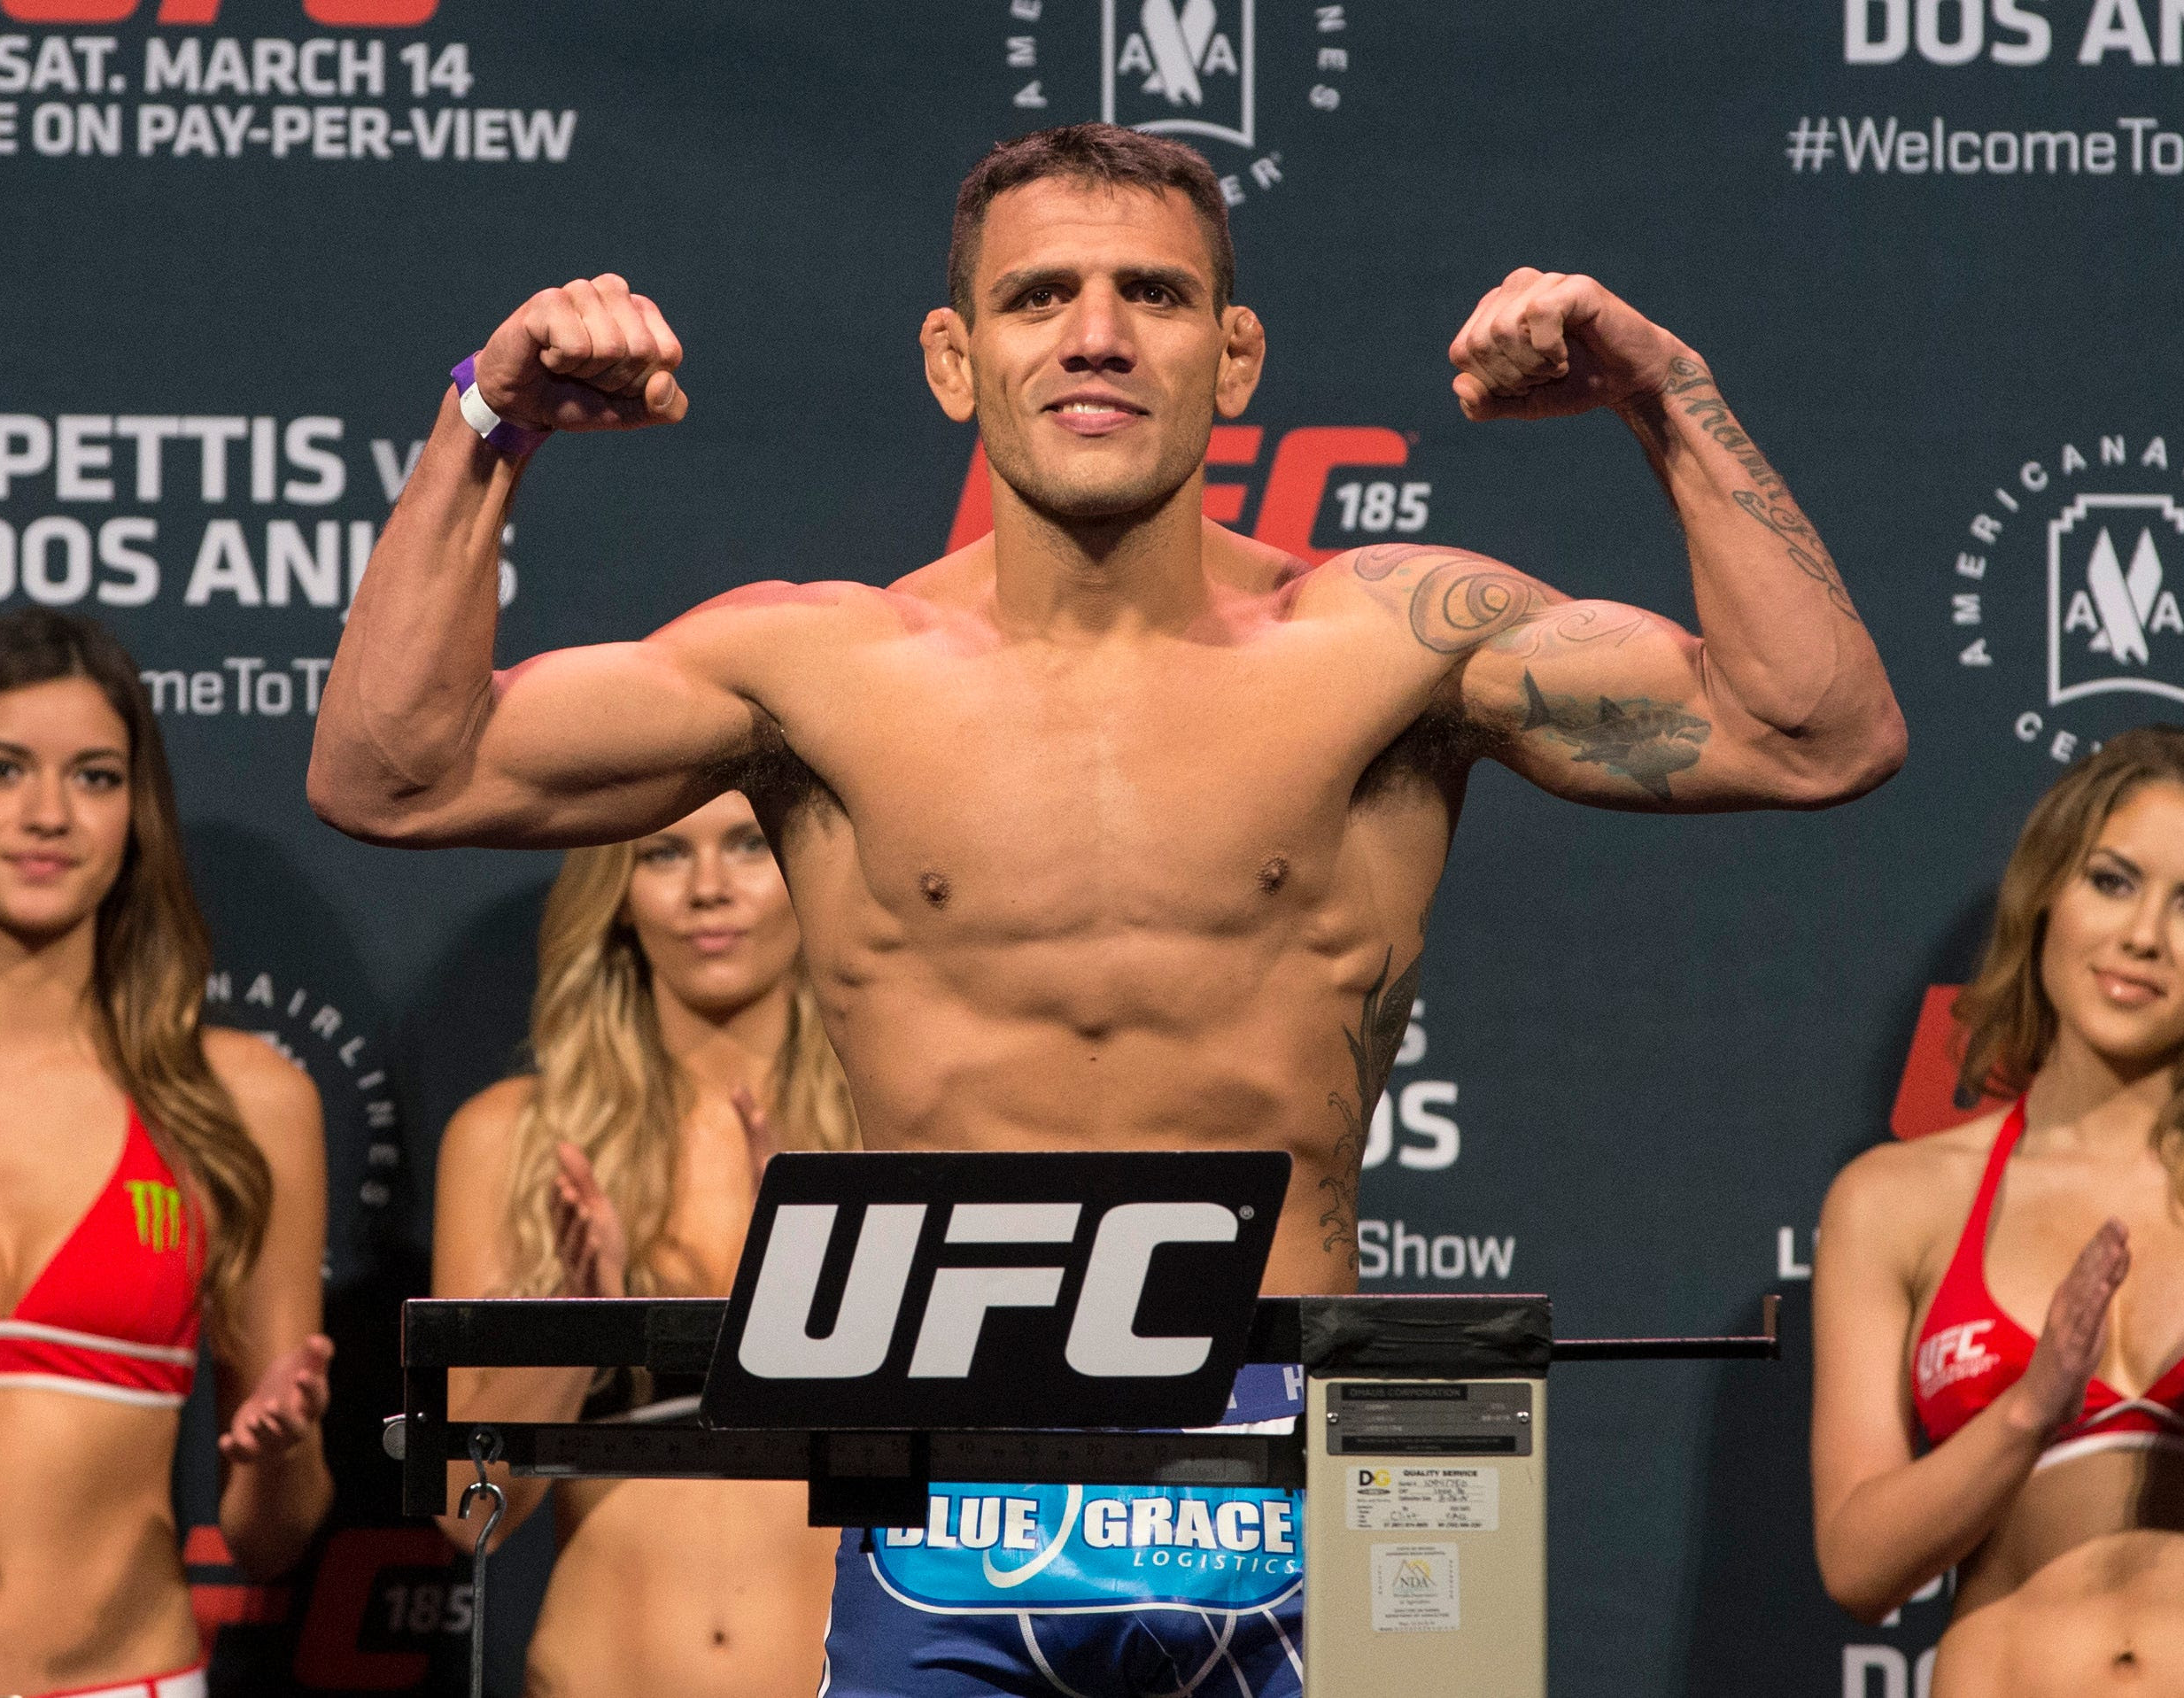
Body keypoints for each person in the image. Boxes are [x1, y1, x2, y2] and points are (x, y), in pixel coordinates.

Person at [310, 123, 1903, 1697]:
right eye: (1036, 296)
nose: (1094, 335)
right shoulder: (813, 672)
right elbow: (394, 774)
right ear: (953, 358)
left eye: (1151, 292)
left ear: (1235, 352)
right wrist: (486, 423)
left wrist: (1665, 393)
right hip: (957, 1461)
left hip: (1321, 1447)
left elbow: (1819, 731)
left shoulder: (1389, 642)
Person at [1813, 726, 2184, 1694]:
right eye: (2113, 880)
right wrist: (2031, 1407)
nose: (2144, 936)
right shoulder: (1897, 1200)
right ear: (2046, 894)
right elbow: (1858, 1568)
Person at [0, 608, 331, 1698]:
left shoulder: (241, 1101)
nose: (48, 816)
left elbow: (273, 1537)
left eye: (94, 777)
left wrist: (279, 1458)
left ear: (138, 814)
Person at [430, 790, 855, 1697]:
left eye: (748, 845)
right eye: (664, 854)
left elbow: (977, 1487)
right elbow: (469, 1514)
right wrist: (584, 1324)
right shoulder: (518, 1142)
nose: (709, 888)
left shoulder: (889, 1141)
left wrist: (824, 1275)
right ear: (618, 892)